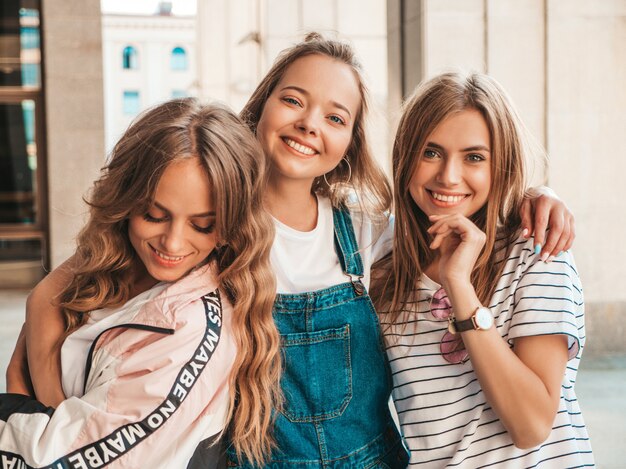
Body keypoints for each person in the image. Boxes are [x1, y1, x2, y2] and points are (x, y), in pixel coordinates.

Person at [9, 34, 574, 468]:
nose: (309, 124)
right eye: (294, 101)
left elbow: (451, 201)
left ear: (350, 142)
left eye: (335, 117)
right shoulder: (211, 222)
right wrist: (59, 409)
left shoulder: (367, 229)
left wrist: (534, 196)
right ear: (261, 107)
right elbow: (50, 296)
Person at [1, 99, 281, 468]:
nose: (172, 243)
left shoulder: (190, 328)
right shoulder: (113, 262)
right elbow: (44, 301)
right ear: (124, 199)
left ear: (231, 225)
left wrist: (21, 400)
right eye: (154, 215)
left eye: (202, 225)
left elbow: (61, 459)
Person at [373, 72, 594, 467]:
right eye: (431, 152)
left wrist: (460, 285)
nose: (448, 176)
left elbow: (530, 425)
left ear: (501, 165)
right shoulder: (383, 263)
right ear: (406, 156)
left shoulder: (538, 252)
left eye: (474, 157)